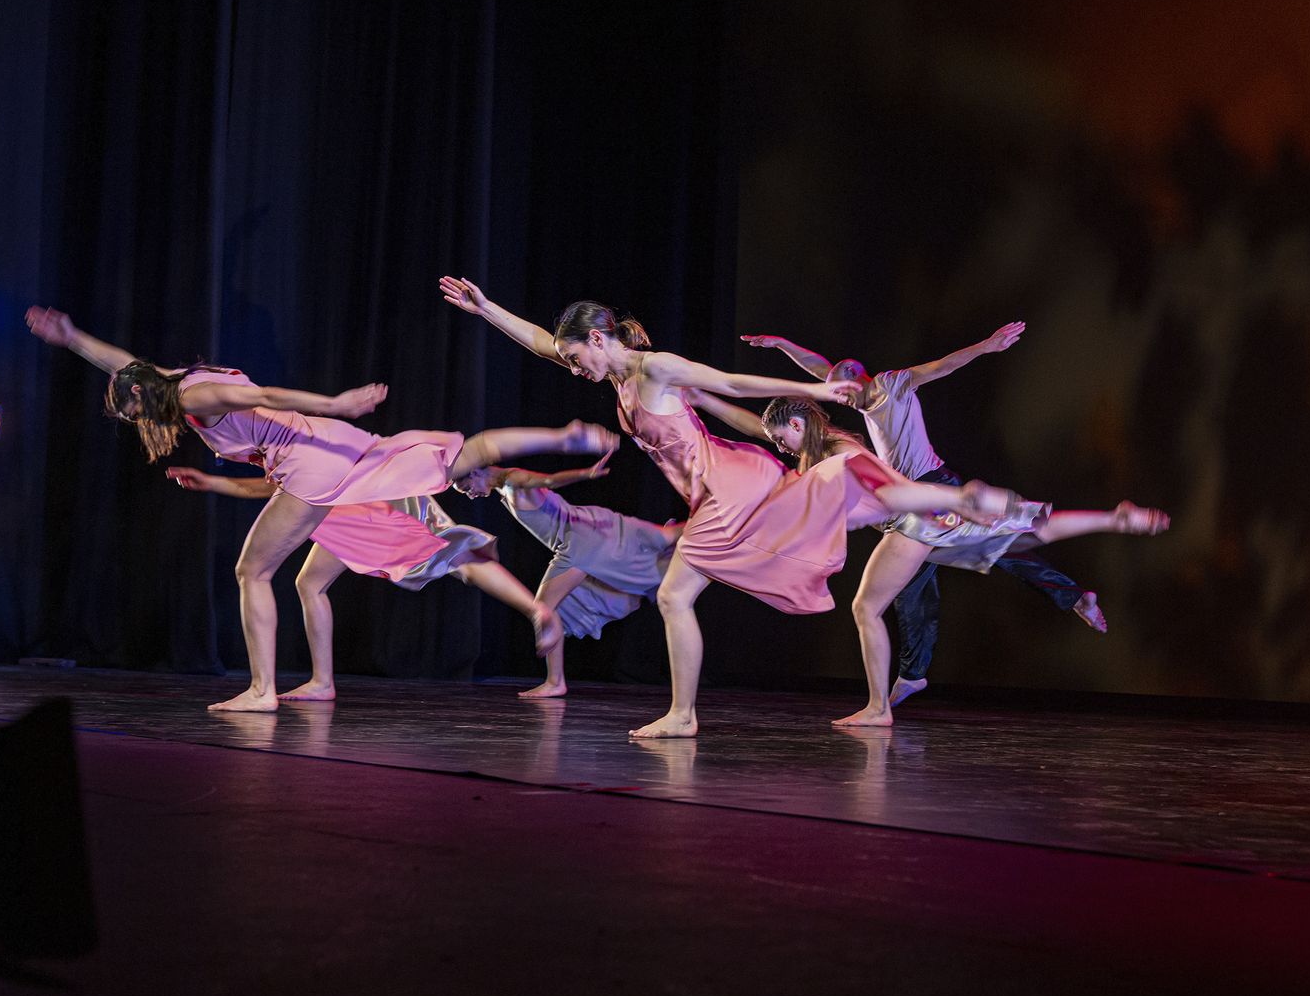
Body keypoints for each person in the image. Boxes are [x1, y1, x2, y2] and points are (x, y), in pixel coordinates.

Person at [440, 277, 1018, 737]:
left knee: (673, 594)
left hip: (725, 486)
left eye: (575, 356)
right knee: (728, 565)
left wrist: (815, 393)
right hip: (716, 490)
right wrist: (486, 308)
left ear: (597, 340)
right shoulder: (616, 381)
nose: (571, 367)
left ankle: (683, 716)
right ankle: (946, 499)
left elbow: (731, 382)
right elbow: (544, 341)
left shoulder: (655, 369)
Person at [26, 305, 617, 711]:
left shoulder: (193, 394)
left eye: (133, 414)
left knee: (251, 571)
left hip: (313, 460)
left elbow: (260, 395)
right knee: (459, 458)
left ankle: (261, 689)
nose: (140, 424)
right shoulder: (168, 383)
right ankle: (563, 437)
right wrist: (71, 337)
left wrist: (339, 402)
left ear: (140, 397)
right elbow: (121, 362)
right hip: (336, 451)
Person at [748, 394, 1168, 726]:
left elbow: (889, 487)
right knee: (1017, 539)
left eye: (781, 438)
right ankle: (1115, 517)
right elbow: (754, 427)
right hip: (922, 520)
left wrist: (953, 500)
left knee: (866, 607)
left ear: (798, 425)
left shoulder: (842, 450)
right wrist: (708, 399)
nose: (780, 447)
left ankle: (879, 707)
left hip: (912, 523)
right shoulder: (820, 448)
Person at [742, 326, 1106, 706]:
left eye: (842, 391)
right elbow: (821, 369)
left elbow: (941, 366)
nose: (840, 400)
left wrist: (985, 346)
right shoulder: (859, 396)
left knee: (1002, 547)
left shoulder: (892, 385)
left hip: (931, 489)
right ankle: (913, 674)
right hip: (906, 503)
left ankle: (1075, 595)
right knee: (913, 588)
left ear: (857, 378)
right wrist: (782, 345)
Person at [167, 466, 565, 701]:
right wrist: (210, 481)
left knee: (448, 555)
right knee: (310, 584)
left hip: (358, 508)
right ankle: (322, 682)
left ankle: (536, 609)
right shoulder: (285, 458)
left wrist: (211, 481)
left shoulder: (292, 451)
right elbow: (267, 488)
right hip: (343, 509)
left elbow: (265, 488)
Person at [453, 452, 683, 698]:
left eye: (467, 487)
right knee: (665, 537)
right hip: (588, 528)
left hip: (577, 545)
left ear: (476, 471)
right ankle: (555, 681)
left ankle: (555, 682)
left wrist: (585, 474)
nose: (470, 494)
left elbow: (550, 480)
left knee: (543, 609)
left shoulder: (513, 480)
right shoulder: (505, 486)